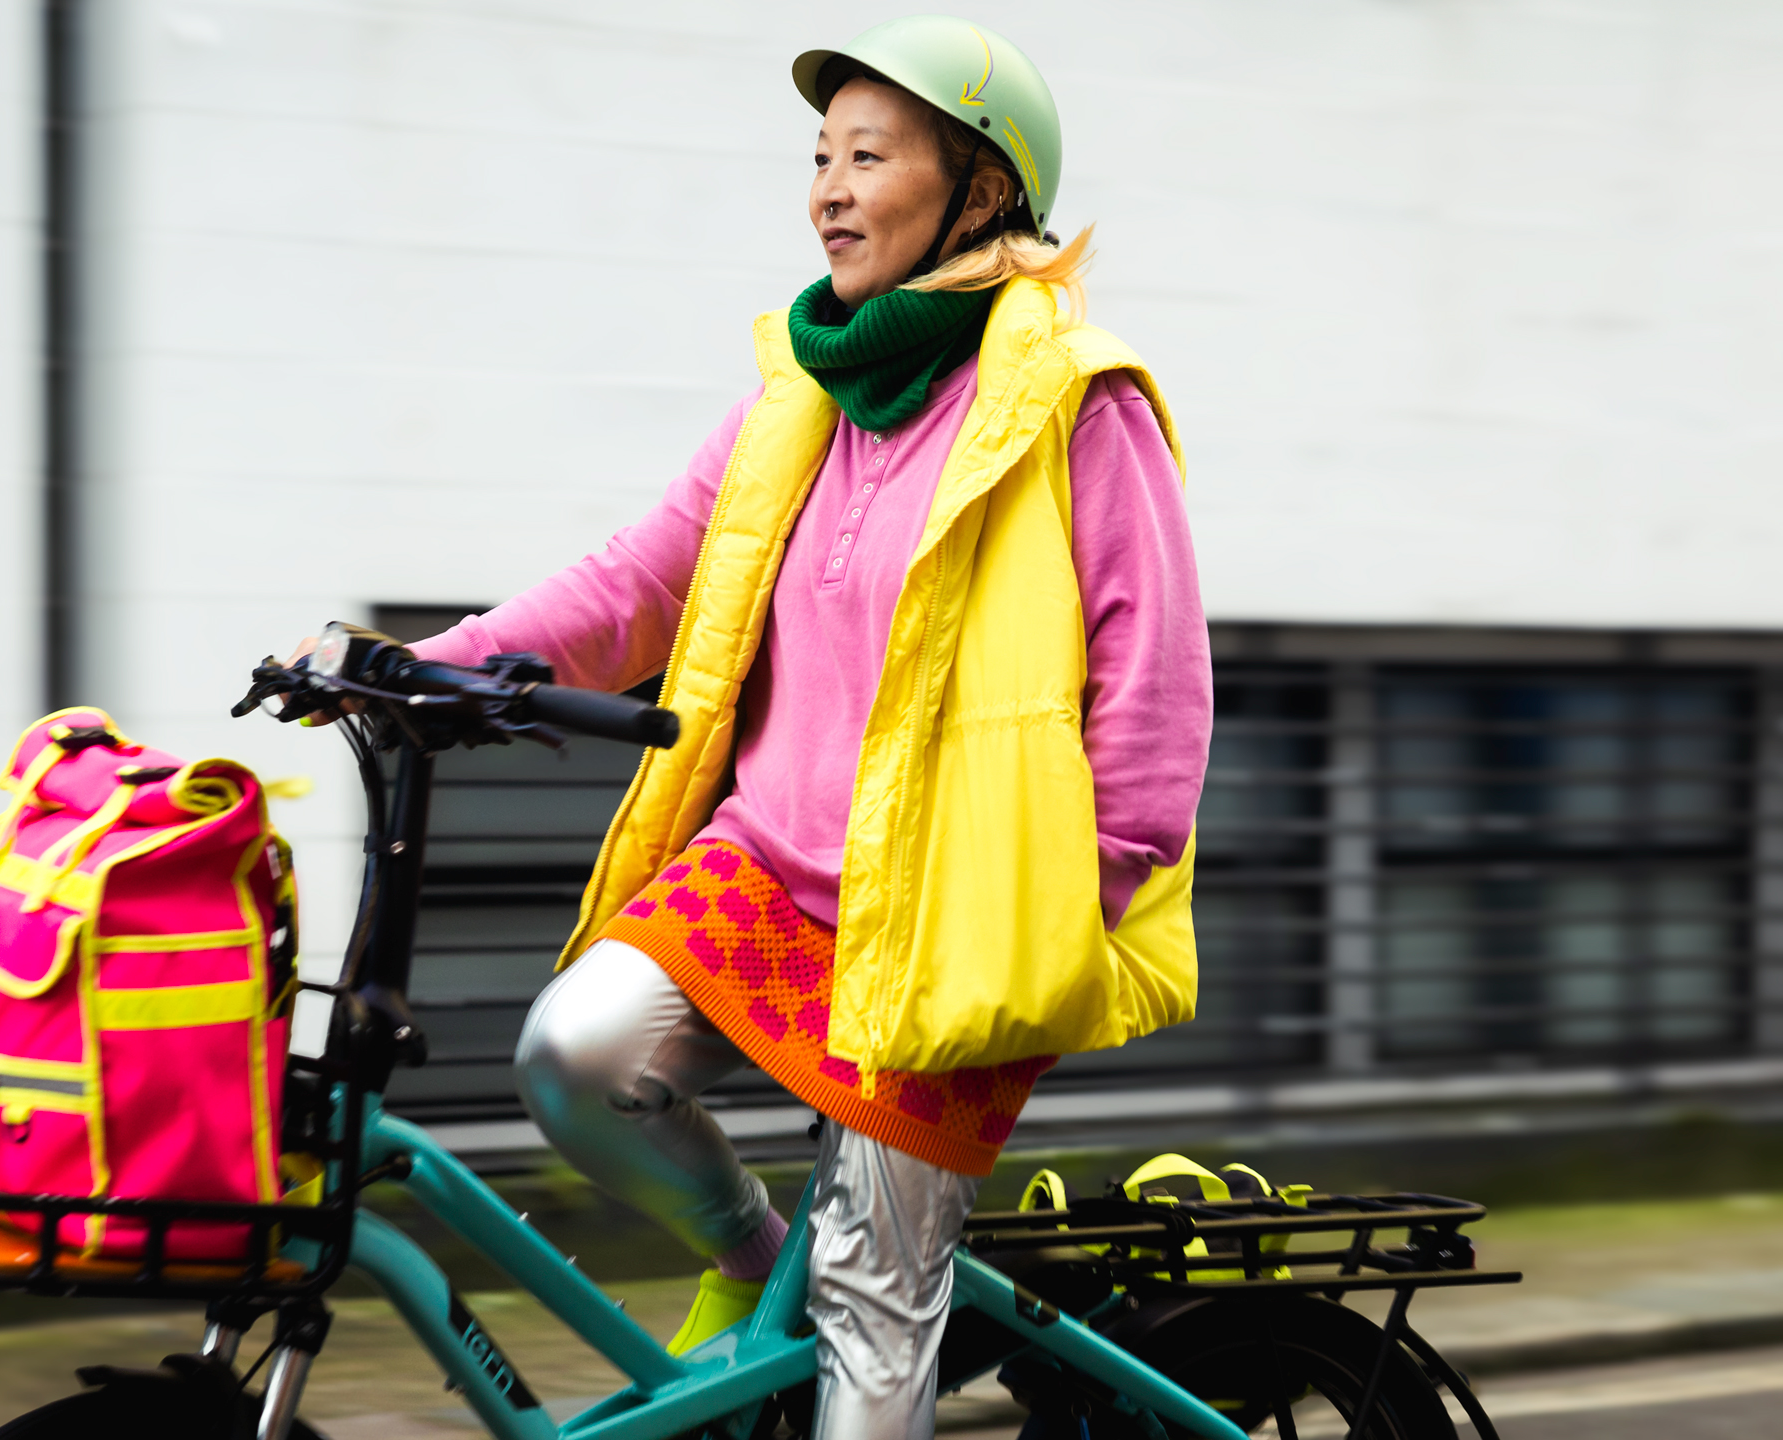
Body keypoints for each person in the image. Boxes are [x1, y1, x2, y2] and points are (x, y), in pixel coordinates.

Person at [298, 17, 1210, 1438]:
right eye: (821, 157)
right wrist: (417, 666)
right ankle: (752, 1258)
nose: (829, 190)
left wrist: (1091, 887)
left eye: (871, 155)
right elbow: (638, 581)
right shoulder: (799, 402)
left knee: (876, 1314)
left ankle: (851, 1306)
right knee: (576, 1056)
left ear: (979, 189)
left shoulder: (1075, 407)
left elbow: (1151, 667)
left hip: (958, 911)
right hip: (774, 864)